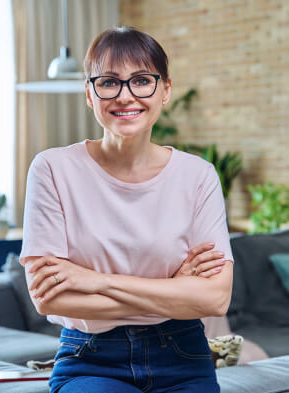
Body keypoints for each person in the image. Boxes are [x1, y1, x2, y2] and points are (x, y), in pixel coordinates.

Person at [20, 27, 233, 393]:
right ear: (89, 93)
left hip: (183, 355)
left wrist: (95, 280)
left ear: (165, 89)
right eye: (109, 82)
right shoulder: (52, 169)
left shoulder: (198, 176)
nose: (126, 96)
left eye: (141, 81)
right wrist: (173, 291)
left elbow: (214, 298)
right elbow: (49, 299)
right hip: (89, 358)